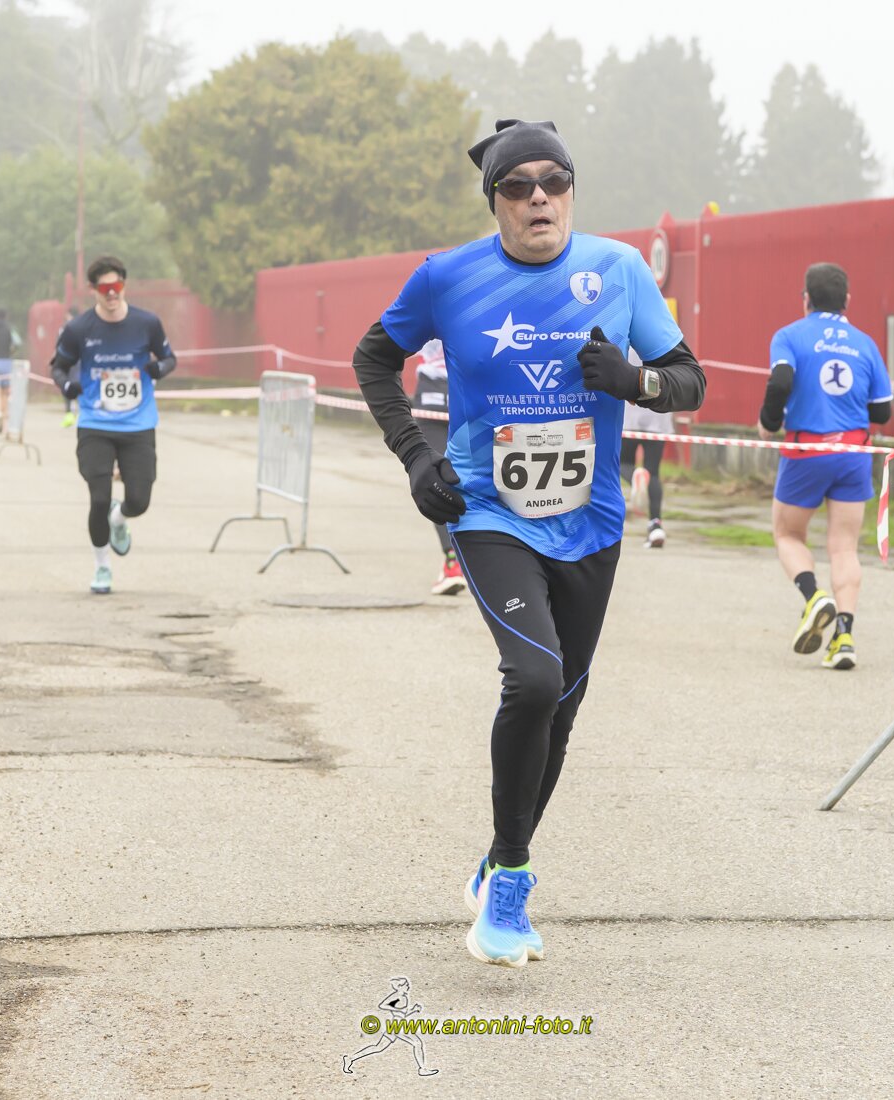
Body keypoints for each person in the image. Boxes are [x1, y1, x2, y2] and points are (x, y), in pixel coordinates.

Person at [353, 119, 705, 968]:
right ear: (496, 202)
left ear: (572, 191)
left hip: (591, 520)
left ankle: (496, 857)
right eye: (518, 185)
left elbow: (689, 380)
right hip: (488, 510)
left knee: (563, 707)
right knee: (535, 678)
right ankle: (509, 886)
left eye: (555, 181)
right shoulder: (447, 277)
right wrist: (416, 457)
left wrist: (634, 379)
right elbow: (373, 360)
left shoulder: (618, 270)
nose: (538, 196)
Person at [757, 263, 893, 671]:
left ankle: (814, 597)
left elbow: (781, 380)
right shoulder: (865, 343)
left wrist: (769, 422)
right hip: (853, 453)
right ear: (847, 300)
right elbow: (883, 411)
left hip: (807, 450)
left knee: (788, 534)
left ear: (806, 299)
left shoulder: (789, 335)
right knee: (844, 547)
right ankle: (844, 638)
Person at [50, 256, 177, 595]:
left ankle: (119, 519)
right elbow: (58, 367)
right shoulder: (79, 329)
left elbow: (169, 358)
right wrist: (67, 386)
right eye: (104, 288)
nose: (111, 294)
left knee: (139, 500)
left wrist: (159, 369)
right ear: (93, 290)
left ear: (124, 286)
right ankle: (102, 566)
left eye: (116, 286)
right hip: (96, 423)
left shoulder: (147, 323)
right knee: (98, 498)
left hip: (138, 423)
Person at [411, 338, 465, 595]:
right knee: (458, 478)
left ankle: (455, 563)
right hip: (467, 386)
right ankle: (456, 561)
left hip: (438, 390)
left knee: (439, 480)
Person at [621, 369, 670, 549]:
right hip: (659, 412)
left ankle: (636, 476)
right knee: (653, 473)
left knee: (623, 463)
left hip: (630, 411)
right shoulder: (665, 350)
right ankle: (656, 526)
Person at [60, 306, 82, 429]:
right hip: (81, 362)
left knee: (67, 386)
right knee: (81, 386)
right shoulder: (84, 326)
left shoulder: (66, 327)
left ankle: (69, 415)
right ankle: (81, 414)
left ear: (69, 315)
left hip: (68, 361)